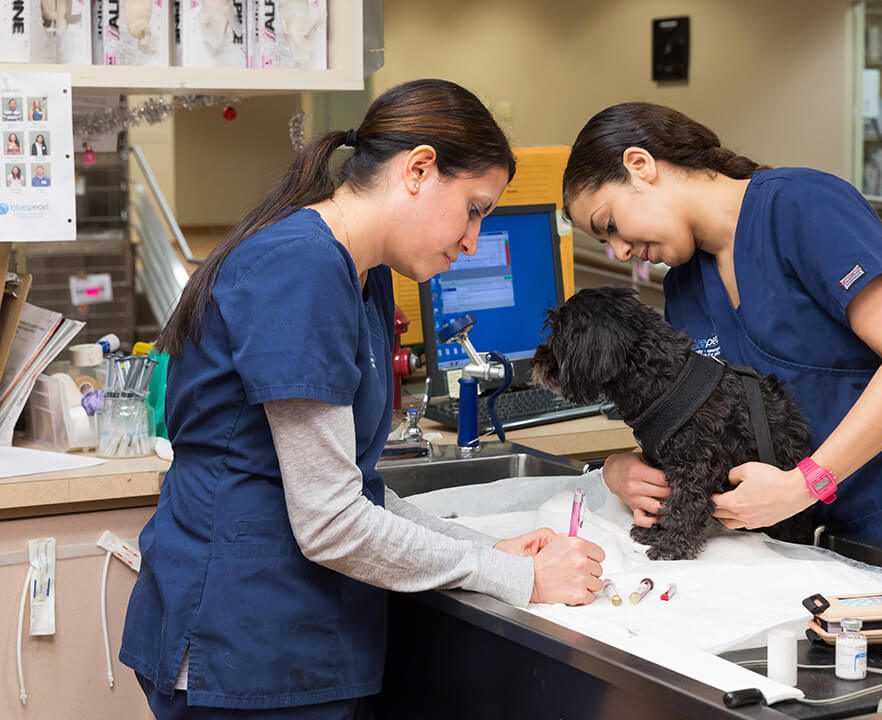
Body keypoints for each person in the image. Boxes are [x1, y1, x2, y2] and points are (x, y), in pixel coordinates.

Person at [120, 79, 606, 719]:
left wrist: (485, 554)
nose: (471, 241)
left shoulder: (366, 275)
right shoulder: (301, 269)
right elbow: (329, 522)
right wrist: (517, 579)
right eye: (475, 209)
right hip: (241, 641)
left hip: (296, 638)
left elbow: (357, 490)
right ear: (419, 169)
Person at [562, 102, 882, 568]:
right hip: (792, 545)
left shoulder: (802, 206)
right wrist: (621, 468)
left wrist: (806, 483)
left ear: (640, 165)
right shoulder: (685, 289)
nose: (619, 250)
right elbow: (702, 422)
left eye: (609, 226)